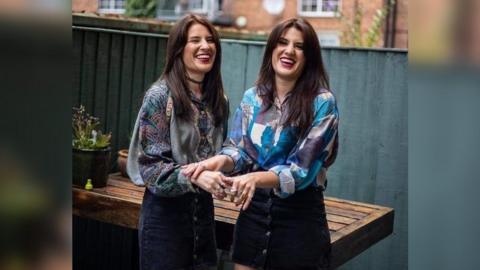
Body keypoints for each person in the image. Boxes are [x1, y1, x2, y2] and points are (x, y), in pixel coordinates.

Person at [182, 18, 339, 270]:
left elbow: (301, 171)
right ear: (271, 49)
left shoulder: (322, 103)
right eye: (283, 42)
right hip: (252, 213)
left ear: (309, 57)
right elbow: (238, 149)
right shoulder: (252, 97)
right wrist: (218, 161)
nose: (289, 51)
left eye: (299, 46)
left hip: (299, 218)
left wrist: (254, 179)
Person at [126, 14, 229, 270]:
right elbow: (150, 168)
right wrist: (194, 177)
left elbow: (223, 152)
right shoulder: (160, 96)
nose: (205, 46)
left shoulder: (218, 100)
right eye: (195, 40)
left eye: (210, 40)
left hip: (203, 219)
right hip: (165, 222)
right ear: (178, 49)